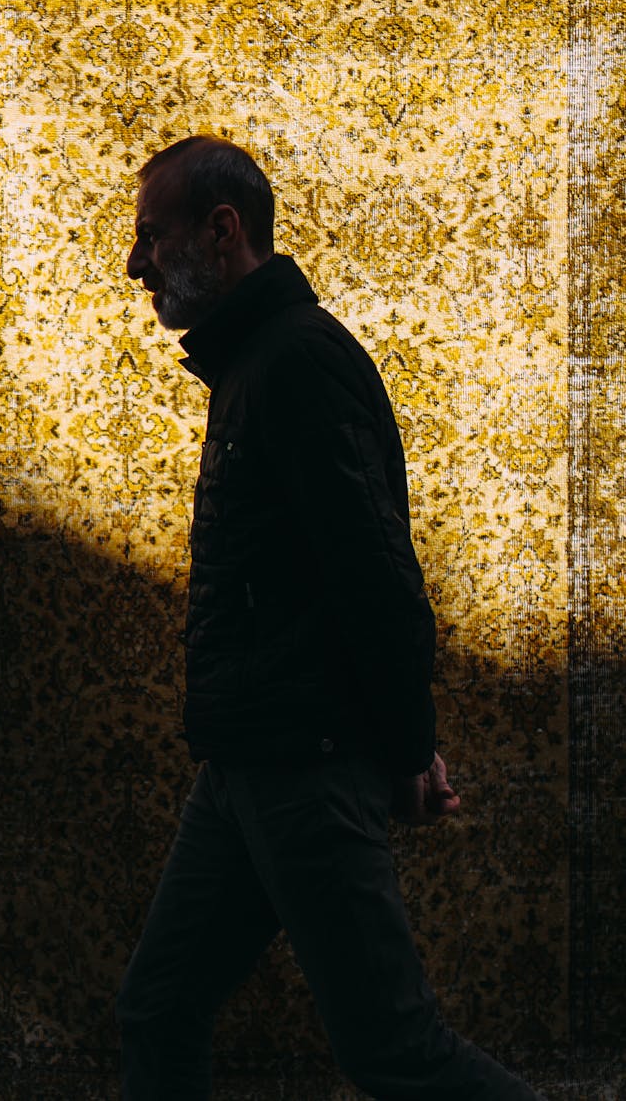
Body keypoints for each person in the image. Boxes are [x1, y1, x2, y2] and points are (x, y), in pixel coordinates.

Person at [115, 135, 544, 1100]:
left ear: (223, 232)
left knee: (396, 1051)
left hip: (300, 764)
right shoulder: (256, 363)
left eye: (151, 237)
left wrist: (406, 751)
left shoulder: (299, 363)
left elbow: (377, 581)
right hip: (247, 763)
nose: (134, 264)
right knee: (159, 1008)